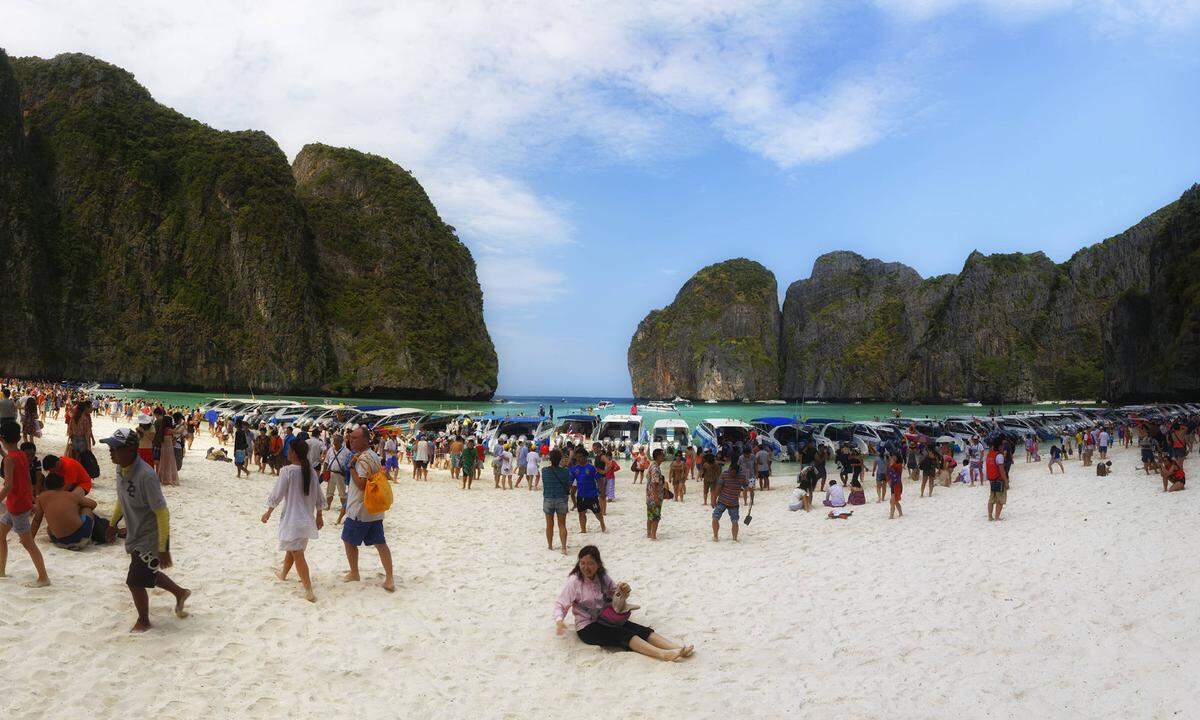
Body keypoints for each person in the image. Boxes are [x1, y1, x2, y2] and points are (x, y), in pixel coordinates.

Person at [100, 428, 190, 632]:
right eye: (110, 447)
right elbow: (122, 499)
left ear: (131, 448)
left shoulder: (146, 475)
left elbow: (163, 513)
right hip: (134, 532)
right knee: (146, 572)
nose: (111, 451)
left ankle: (144, 620)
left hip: (150, 536)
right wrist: (113, 524)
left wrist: (164, 547)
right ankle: (180, 592)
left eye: (115, 447)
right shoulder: (120, 468)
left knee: (134, 581)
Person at [553, 545, 692, 661]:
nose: (585, 567)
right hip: (587, 627)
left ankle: (676, 647)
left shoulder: (602, 577)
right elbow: (561, 604)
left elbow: (616, 593)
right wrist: (560, 621)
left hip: (605, 618)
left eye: (590, 563)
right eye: (582, 563)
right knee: (622, 634)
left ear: (598, 564)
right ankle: (662, 654)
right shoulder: (574, 582)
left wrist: (624, 590)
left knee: (639, 629)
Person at [262, 439, 325, 602]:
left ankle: (308, 589)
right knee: (293, 549)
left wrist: (268, 512)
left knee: (297, 553)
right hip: (306, 520)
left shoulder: (288, 471)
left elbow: (277, 494)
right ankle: (283, 574)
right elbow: (319, 496)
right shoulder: (310, 471)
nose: (287, 452)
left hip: (293, 520)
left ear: (294, 453)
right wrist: (319, 515)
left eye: (289, 450)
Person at [342, 426, 395, 592]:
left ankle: (354, 572)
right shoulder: (373, 455)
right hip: (374, 509)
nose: (352, 440)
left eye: (355, 438)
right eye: (351, 438)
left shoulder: (362, 459)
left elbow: (362, 484)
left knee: (348, 540)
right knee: (380, 543)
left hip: (360, 509)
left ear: (366, 440)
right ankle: (389, 577)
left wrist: (351, 467)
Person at [0, 420, 51, 586]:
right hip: (19, 504)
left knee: (28, 543)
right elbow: (27, 478)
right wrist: (32, 500)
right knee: (0, 535)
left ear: (2, 438)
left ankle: (43, 578)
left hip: (16, 507)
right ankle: (1, 570)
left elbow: (7, 486)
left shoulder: (9, 460)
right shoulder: (21, 454)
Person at [32, 473, 108, 549]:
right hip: (80, 538)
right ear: (64, 485)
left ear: (46, 486)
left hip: (58, 541)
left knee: (49, 528)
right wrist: (77, 506)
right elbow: (93, 504)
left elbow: (36, 520)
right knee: (86, 509)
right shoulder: (71, 495)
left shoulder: (41, 498)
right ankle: (101, 533)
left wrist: (30, 537)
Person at [541, 448, 571, 554]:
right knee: (562, 524)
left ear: (550, 459)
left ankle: (550, 546)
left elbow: (545, 483)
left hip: (548, 498)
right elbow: (568, 485)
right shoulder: (565, 471)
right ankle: (563, 547)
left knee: (549, 524)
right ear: (560, 460)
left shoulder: (544, 471)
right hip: (561, 499)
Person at [711, 454, 746, 542]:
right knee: (715, 518)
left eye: (734, 473)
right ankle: (715, 536)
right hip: (722, 501)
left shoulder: (742, 476)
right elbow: (718, 488)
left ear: (737, 472)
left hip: (734, 503)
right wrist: (713, 500)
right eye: (731, 471)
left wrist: (750, 492)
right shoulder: (724, 474)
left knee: (734, 521)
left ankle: (734, 538)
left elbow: (746, 487)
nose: (732, 473)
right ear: (729, 469)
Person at [569, 449, 605, 533]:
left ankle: (602, 523)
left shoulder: (591, 468)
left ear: (585, 457)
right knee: (581, 513)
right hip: (581, 495)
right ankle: (583, 530)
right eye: (577, 457)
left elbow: (599, 480)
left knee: (597, 512)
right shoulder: (575, 469)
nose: (578, 459)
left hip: (592, 495)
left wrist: (602, 491)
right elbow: (570, 482)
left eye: (580, 457)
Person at [986, 438, 1009, 522]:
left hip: (991, 480)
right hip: (999, 480)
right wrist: (1006, 482)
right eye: (1002, 445)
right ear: (999, 446)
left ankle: (990, 517)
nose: (1003, 446)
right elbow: (1002, 471)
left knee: (992, 498)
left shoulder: (990, 454)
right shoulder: (999, 456)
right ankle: (996, 517)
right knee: (1000, 499)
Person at [645, 449, 666, 540]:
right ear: (658, 456)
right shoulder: (655, 468)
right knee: (656, 517)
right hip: (654, 496)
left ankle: (649, 534)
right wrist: (656, 497)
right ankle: (653, 535)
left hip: (649, 496)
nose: (663, 456)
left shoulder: (652, 465)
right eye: (662, 455)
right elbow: (654, 483)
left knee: (650, 516)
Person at [887, 452, 904, 519]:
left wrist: (891, 460)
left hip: (897, 485)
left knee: (893, 501)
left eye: (894, 456)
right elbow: (888, 472)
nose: (893, 457)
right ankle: (900, 513)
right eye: (892, 456)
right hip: (893, 484)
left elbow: (894, 466)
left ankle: (891, 516)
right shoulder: (893, 464)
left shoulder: (899, 465)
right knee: (895, 501)